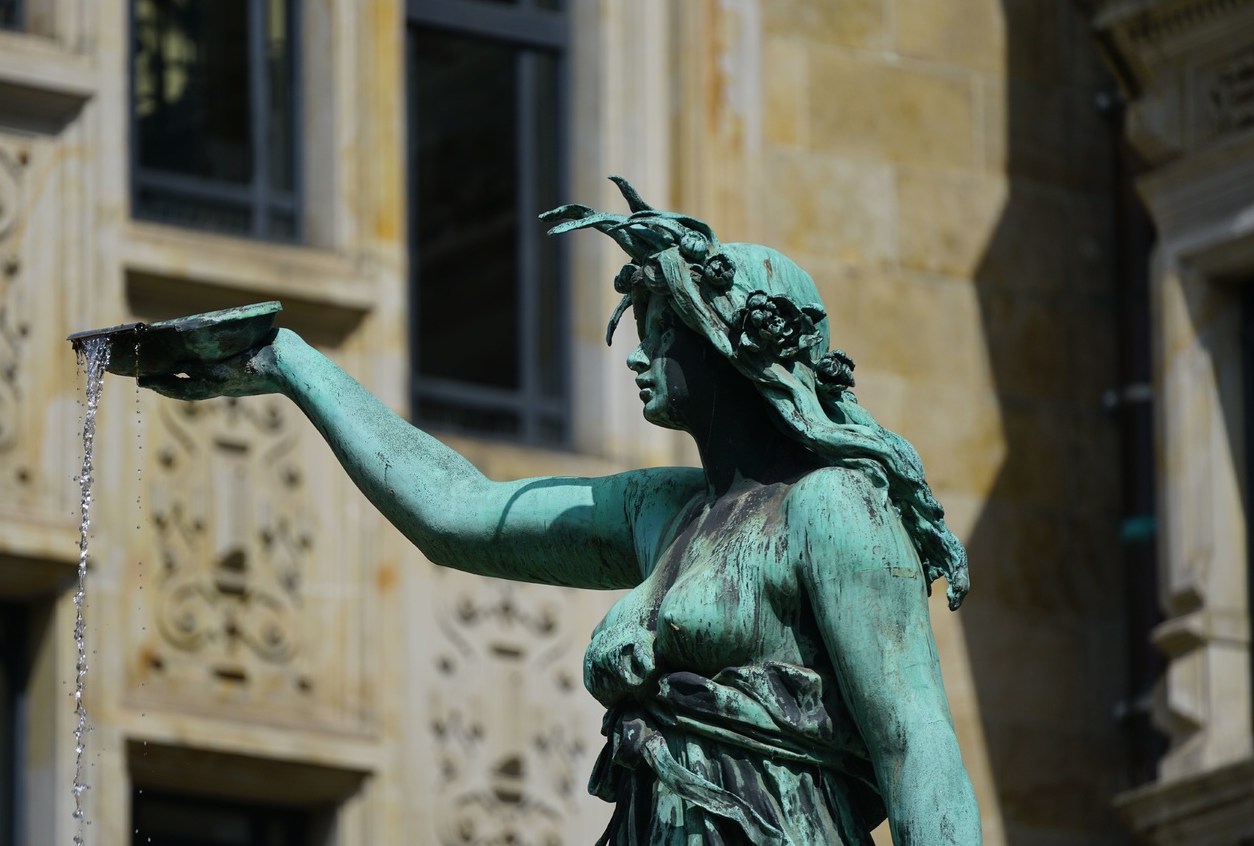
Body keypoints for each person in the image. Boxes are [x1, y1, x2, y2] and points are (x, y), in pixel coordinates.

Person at [141, 178, 982, 845]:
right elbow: (458, 512)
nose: (640, 352)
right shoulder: (665, 513)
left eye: (661, 327)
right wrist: (288, 363)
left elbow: (915, 746)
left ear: (731, 346)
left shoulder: (836, 509)